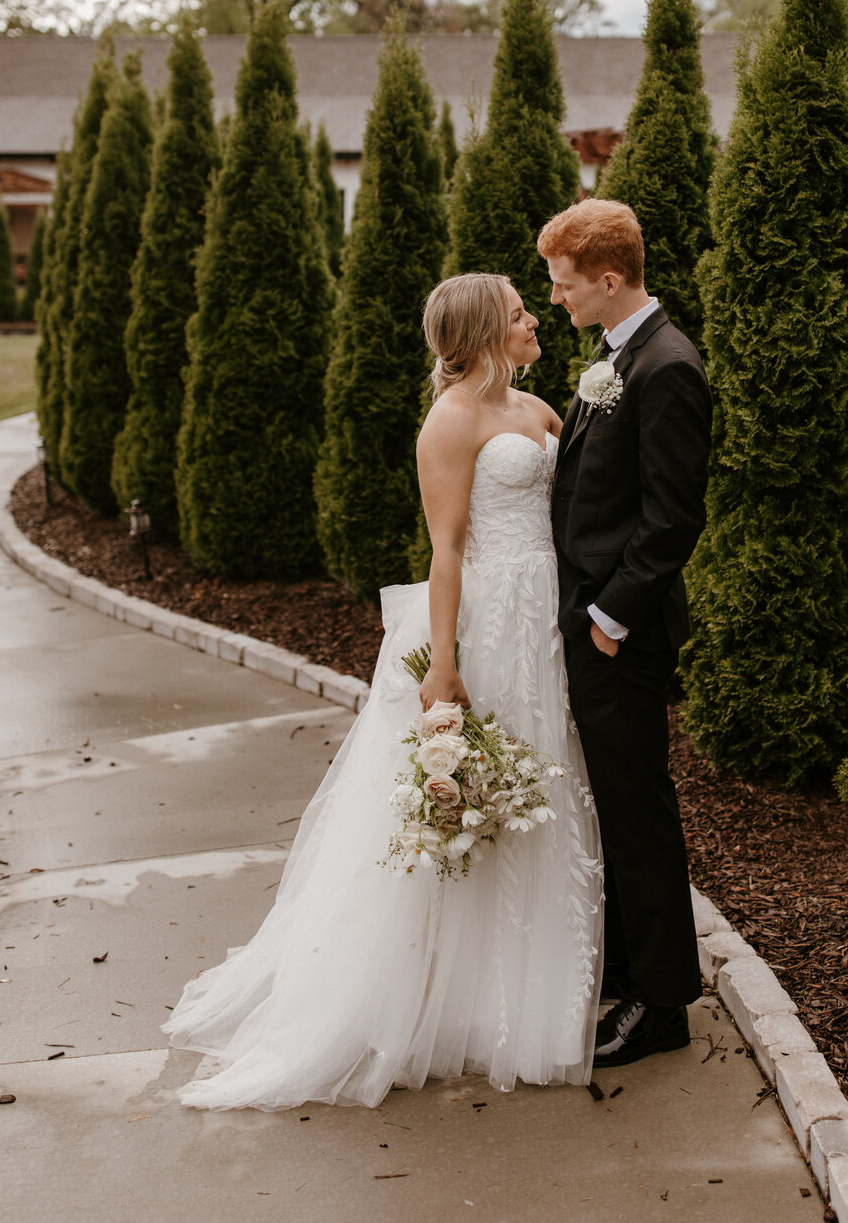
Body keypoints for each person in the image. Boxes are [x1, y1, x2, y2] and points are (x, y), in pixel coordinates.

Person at [163, 272, 602, 1109]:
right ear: (479, 334)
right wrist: (443, 666)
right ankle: (449, 999)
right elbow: (446, 548)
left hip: (546, 616)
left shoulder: (544, 410)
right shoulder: (450, 422)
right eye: (517, 312)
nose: (533, 317)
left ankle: (533, 986)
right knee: (474, 792)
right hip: (486, 623)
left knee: (540, 781)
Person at [539, 199, 712, 1069]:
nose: (556, 298)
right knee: (613, 802)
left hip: (621, 632)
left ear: (609, 280)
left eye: (565, 285)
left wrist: (610, 618)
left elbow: (674, 519)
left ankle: (663, 1004)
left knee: (638, 810)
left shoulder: (666, 367)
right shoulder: (615, 356)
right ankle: (634, 972)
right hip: (589, 619)